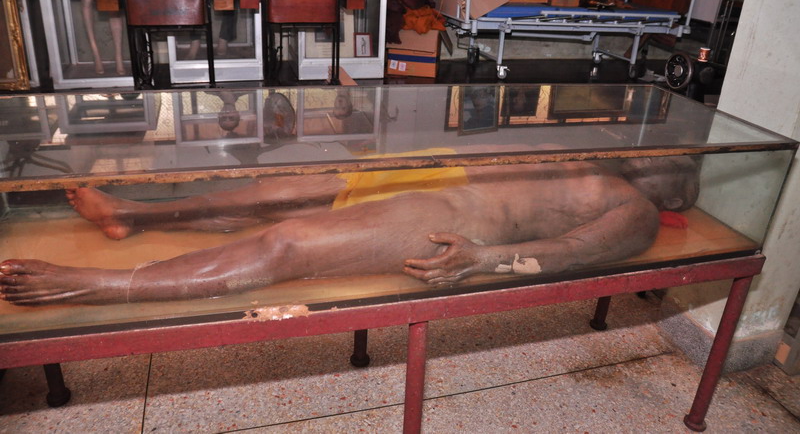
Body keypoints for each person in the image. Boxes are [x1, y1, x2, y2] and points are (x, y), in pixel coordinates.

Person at [0, 150, 699, 306]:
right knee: (266, 197)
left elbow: (570, 254)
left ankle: (92, 285)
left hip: (457, 219)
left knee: (290, 243)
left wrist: (484, 259)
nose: (663, 152)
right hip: (441, 173)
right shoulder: (595, 155)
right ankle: (130, 214)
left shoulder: (634, 209)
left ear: (675, 193)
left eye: (678, 161)